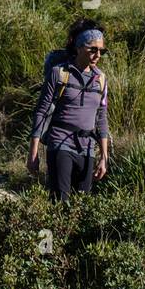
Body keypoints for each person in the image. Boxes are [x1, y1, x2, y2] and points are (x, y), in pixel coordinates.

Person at [28, 27, 110, 202]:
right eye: (93, 49)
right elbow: (41, 111)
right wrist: (33, 152)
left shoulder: (101, 79)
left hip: (87, 148)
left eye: (101, 51)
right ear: (79, 48)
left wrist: (104, 156)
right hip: (60, 143)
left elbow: (102, 118)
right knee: (60, 201)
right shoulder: (59, 73)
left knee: (82, 205)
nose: (98, 55)